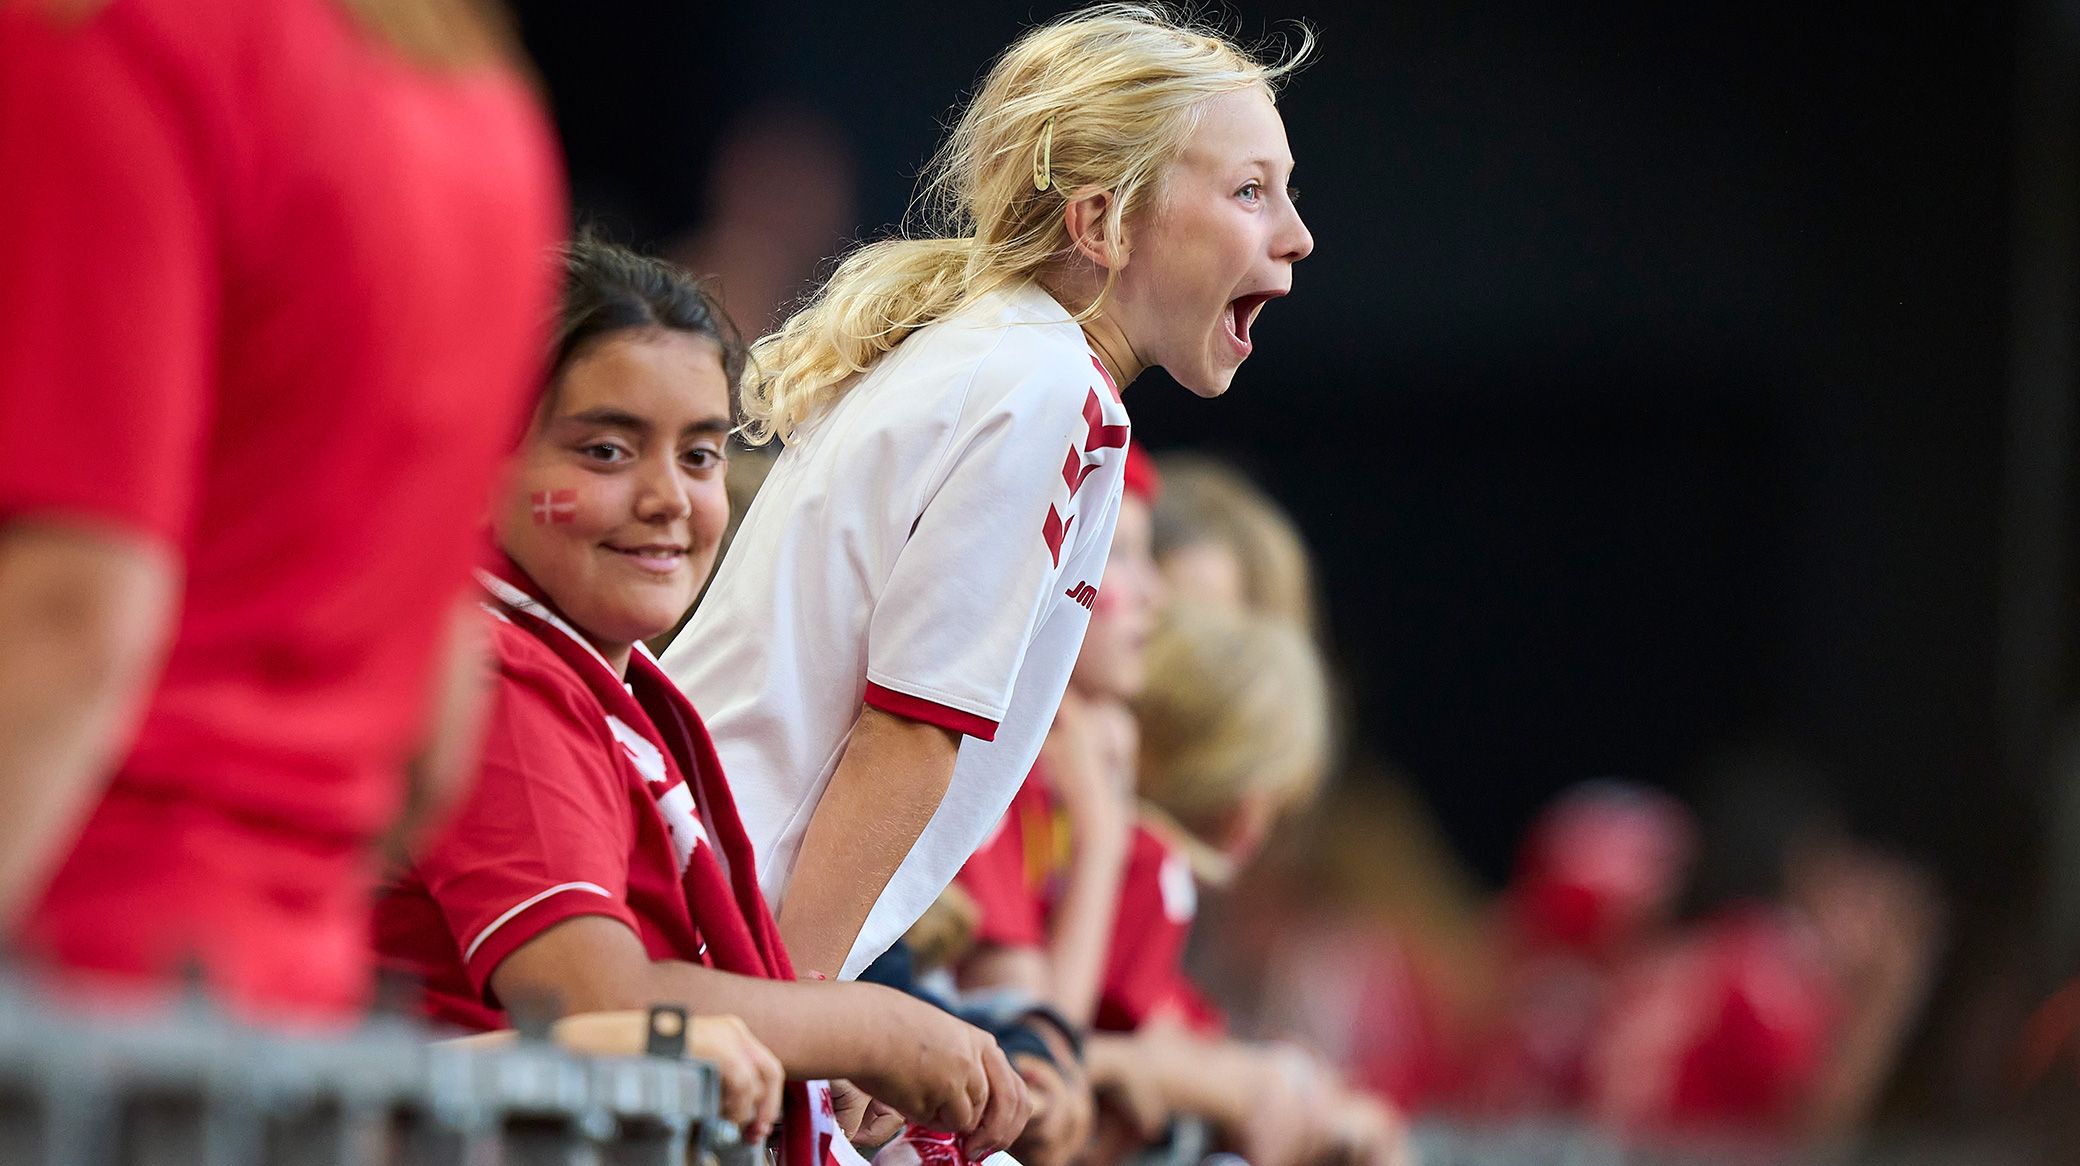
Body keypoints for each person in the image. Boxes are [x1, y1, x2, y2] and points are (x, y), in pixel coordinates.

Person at [665, 1, 1316, 985]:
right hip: (720, 934)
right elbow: (906, 734)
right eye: (1249, 191)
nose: (1298, 235)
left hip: (719, 911)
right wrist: (800, 1018)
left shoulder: (1005, 356)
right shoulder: (1043, 386)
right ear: (1101, 220)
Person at [374, 240, 1029, 1163]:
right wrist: (868, 1029)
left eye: (699, 454)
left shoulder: (602, 681)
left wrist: (815, 1045)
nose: (667, 499)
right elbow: (602, 1006)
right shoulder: (499, 682)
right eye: (605, 451)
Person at [0, 0, 563, 1021]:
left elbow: (76, 608)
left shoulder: (109, 36)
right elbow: (439, 718)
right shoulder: (481, 106)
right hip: (286, 1008)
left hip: (62, 980)